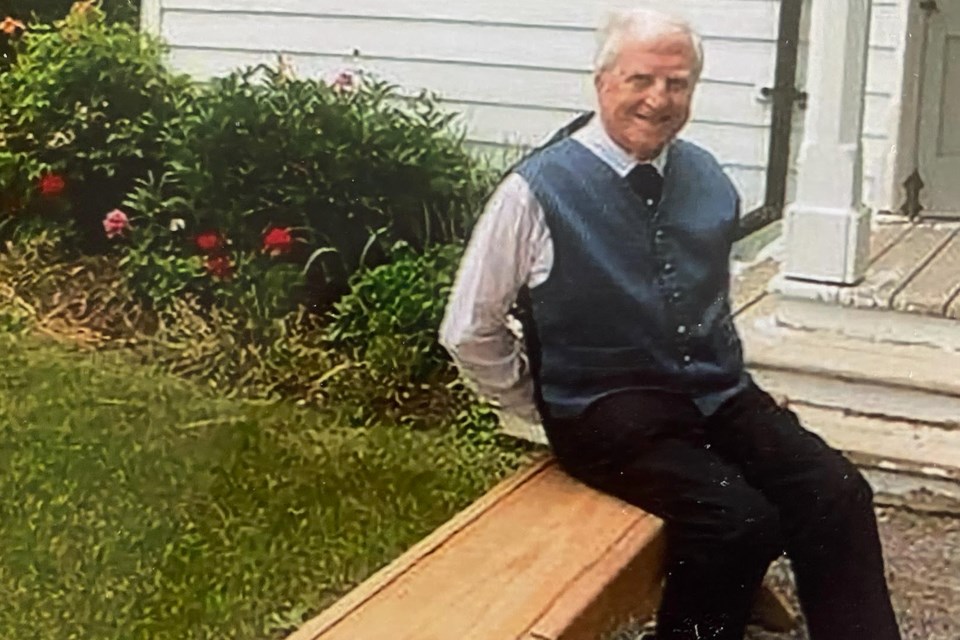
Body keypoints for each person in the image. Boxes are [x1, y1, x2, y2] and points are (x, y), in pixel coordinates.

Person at [439, 8, 901, 640]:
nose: (658, 99)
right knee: (735, 521)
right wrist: (533, 402)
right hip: (609, 414)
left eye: (677, 83)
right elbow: (469, 326)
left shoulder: (707, 178)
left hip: (717, 397)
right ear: (603, 82)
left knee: (838, 492)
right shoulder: (537, 191)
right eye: (641, 80)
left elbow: (704, 299)